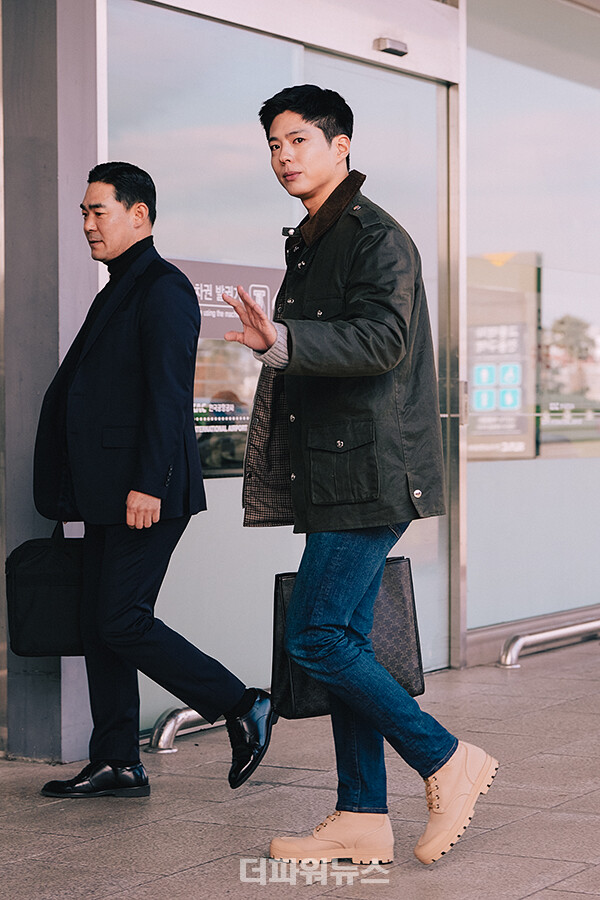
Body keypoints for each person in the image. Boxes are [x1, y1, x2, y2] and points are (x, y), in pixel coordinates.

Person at [223, 85, 498, 866]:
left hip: (376, 471)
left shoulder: (376, 237)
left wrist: (281, 340)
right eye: (274, 144)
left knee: (315, 634)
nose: (284, 157)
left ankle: (446, 759)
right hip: (343, 471)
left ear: (341, 145)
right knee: (338, 634)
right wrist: (281, 342)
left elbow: (382, 340)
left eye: (298, 140)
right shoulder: (316, 235)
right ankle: (361, 814)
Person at [33, 161, 276, 798]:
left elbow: (169, 398)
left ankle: (240, 702)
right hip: (109, 491)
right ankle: (118, 760)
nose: (87, 224)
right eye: (83, 212)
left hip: (146, 491)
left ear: (139, 215)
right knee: (97, 624)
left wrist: (149, 483)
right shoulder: (120, 285)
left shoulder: (162, 287)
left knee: (120, 619)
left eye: (98, 212)